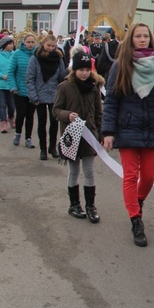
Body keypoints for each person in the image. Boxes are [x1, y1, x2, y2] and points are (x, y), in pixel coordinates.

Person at [102, 22, 154, 247]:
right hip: (127, 126)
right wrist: (108, 132)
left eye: (145, 36)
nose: (142, 39)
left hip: (150, 125)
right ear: (131, 39)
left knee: (150, 176)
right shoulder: (121, 65)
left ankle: (137, 201)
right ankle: (135, 220)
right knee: (131, 175)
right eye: (137, 36)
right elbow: (111, 101)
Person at [53, 51, 105, 223]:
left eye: (87, 69)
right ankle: (74, 204)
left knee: (89, 171)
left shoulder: (94, 87)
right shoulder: (65, 87)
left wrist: (100, 133)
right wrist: (67, 115)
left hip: (90, 135)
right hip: (72, 136)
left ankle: (91, 205)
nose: (84, 73)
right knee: (74, 170)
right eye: (81, 69)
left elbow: (98, 112)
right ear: (74, 70)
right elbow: (56, 110)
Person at [27, 34, 66, 160]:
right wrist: (33, 96)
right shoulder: (35, 58)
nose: (51, 48)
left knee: (54, 122)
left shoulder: (59, 58)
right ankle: (43, 148)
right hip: (39, 94)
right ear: (43, 44)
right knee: (42, 123)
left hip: (54, 94)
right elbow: (30, 78)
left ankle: (52, 147)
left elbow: (62, 77)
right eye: (49, 45)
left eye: (53, 46)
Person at [8, 33, 38, 148]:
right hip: (20, 90)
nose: (30, 44)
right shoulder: (17, 54)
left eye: (32, 42)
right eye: (28, 42)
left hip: (32, 91)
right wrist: (13, 87)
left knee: (30, 115)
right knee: (21, 114)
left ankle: (28, 138)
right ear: (24, 42)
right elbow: (11, 72)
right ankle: (18, 134)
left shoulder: (37, 55)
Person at [0, 35, 16, 133]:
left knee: (11, 104)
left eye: (12, 44)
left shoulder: (15, 55)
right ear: (4, 45)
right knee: (2, 104)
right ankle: (3, 122)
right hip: (0, 84)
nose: (12, 46)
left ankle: (11, 118)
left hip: (12, 84)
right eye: (9, 44)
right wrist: (1, 75)